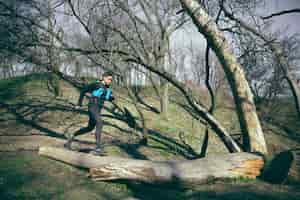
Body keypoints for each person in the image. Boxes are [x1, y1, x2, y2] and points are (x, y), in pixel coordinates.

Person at [64, 71, 115, 155]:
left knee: (89, 128)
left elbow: (107, 98)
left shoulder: (107, 88)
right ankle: (98, 147)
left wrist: (111, 98)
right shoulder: (96, 84)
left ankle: (71, 137)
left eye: (111, 80)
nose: (110, 81)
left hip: (98, 109)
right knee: (100, 122)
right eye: (109, 79)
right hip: (92, 107)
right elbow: (83, 91)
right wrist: (79, 104)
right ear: (104, 77)